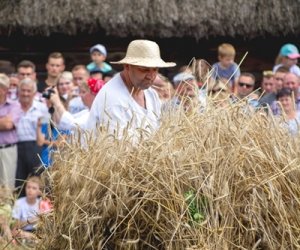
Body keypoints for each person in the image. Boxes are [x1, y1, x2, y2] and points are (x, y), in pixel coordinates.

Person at [86, 39, 176, 139]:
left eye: (155, 69)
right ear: (127, 66)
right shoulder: (112, 99)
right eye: (144, 69)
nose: (151, 76)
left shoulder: (151, 94)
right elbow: (117, 149)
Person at [16, 78, 48, 195]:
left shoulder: (42, 108)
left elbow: (47, 130)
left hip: (36, 147)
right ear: (18, 92)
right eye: (23, 90)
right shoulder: (14, 107)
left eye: (28, 91)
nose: (25, 93)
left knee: (37, 178)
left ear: (34, 93)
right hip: (17, 147)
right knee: (18, 179)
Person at [0, 74, 22, 189]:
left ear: (4, 90)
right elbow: (5, 123)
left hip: (7, 150)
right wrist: (3, 120)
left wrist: (6, 122)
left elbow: (8, 125)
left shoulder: (14, 105)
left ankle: (6, 208)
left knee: (7, 187)